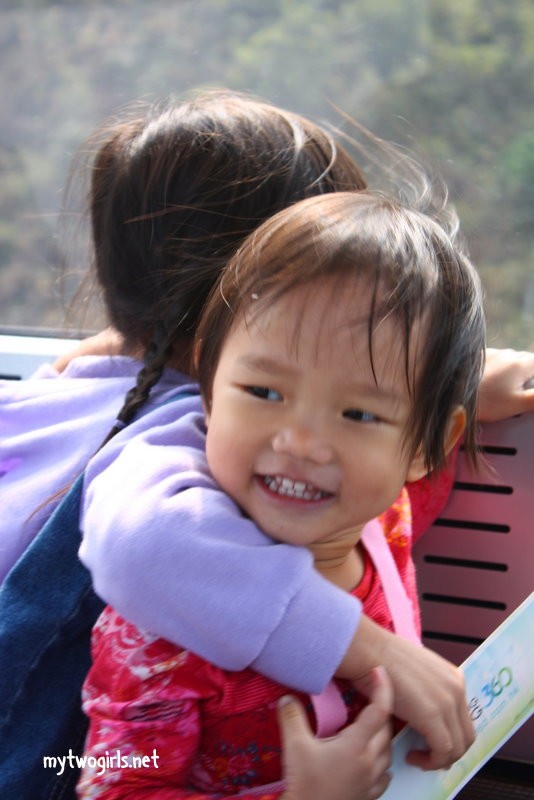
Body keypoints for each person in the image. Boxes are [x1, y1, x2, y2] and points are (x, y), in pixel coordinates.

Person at [1, 92, 532, 795]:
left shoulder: (49, 391)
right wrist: (369, 652)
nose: (307, 443)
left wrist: (443, 387)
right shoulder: (170, 450)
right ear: (231, 316)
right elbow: (144, 547)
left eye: (360, 411)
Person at [77, 188, 486, 798]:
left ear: (425, 448)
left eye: (358, 414)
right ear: (210, 393)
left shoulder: (387, 516)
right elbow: (112, 787)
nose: (301, 443)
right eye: (264, 393)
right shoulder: (160, 632)